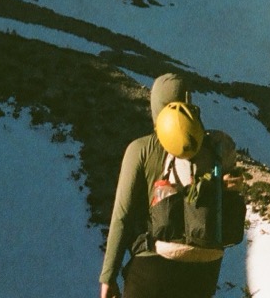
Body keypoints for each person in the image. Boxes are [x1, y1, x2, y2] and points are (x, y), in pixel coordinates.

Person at [100, 73, 239, 298]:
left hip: (153, 267)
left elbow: (122, 217)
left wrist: (108, 277)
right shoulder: (212, 148)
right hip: (204, 273)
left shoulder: (141, 149)